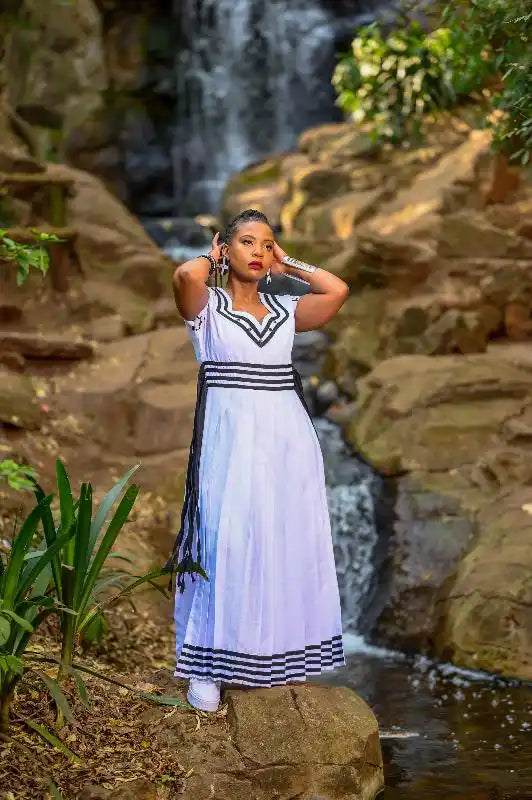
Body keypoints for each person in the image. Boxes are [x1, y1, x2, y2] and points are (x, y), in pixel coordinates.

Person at [167, 208, 349, 712]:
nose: (258, 251)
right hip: (230, 439)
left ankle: (272, 656)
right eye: (246, 242)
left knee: (280, 540)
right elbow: (185, 275)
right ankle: (207, 666)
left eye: (266, 244)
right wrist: (212, 254)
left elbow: (335, 291)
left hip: (288, 440)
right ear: (226, 250)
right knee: (226, 538)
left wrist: (288, 265)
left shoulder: (285, 310)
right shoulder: (208, 308)